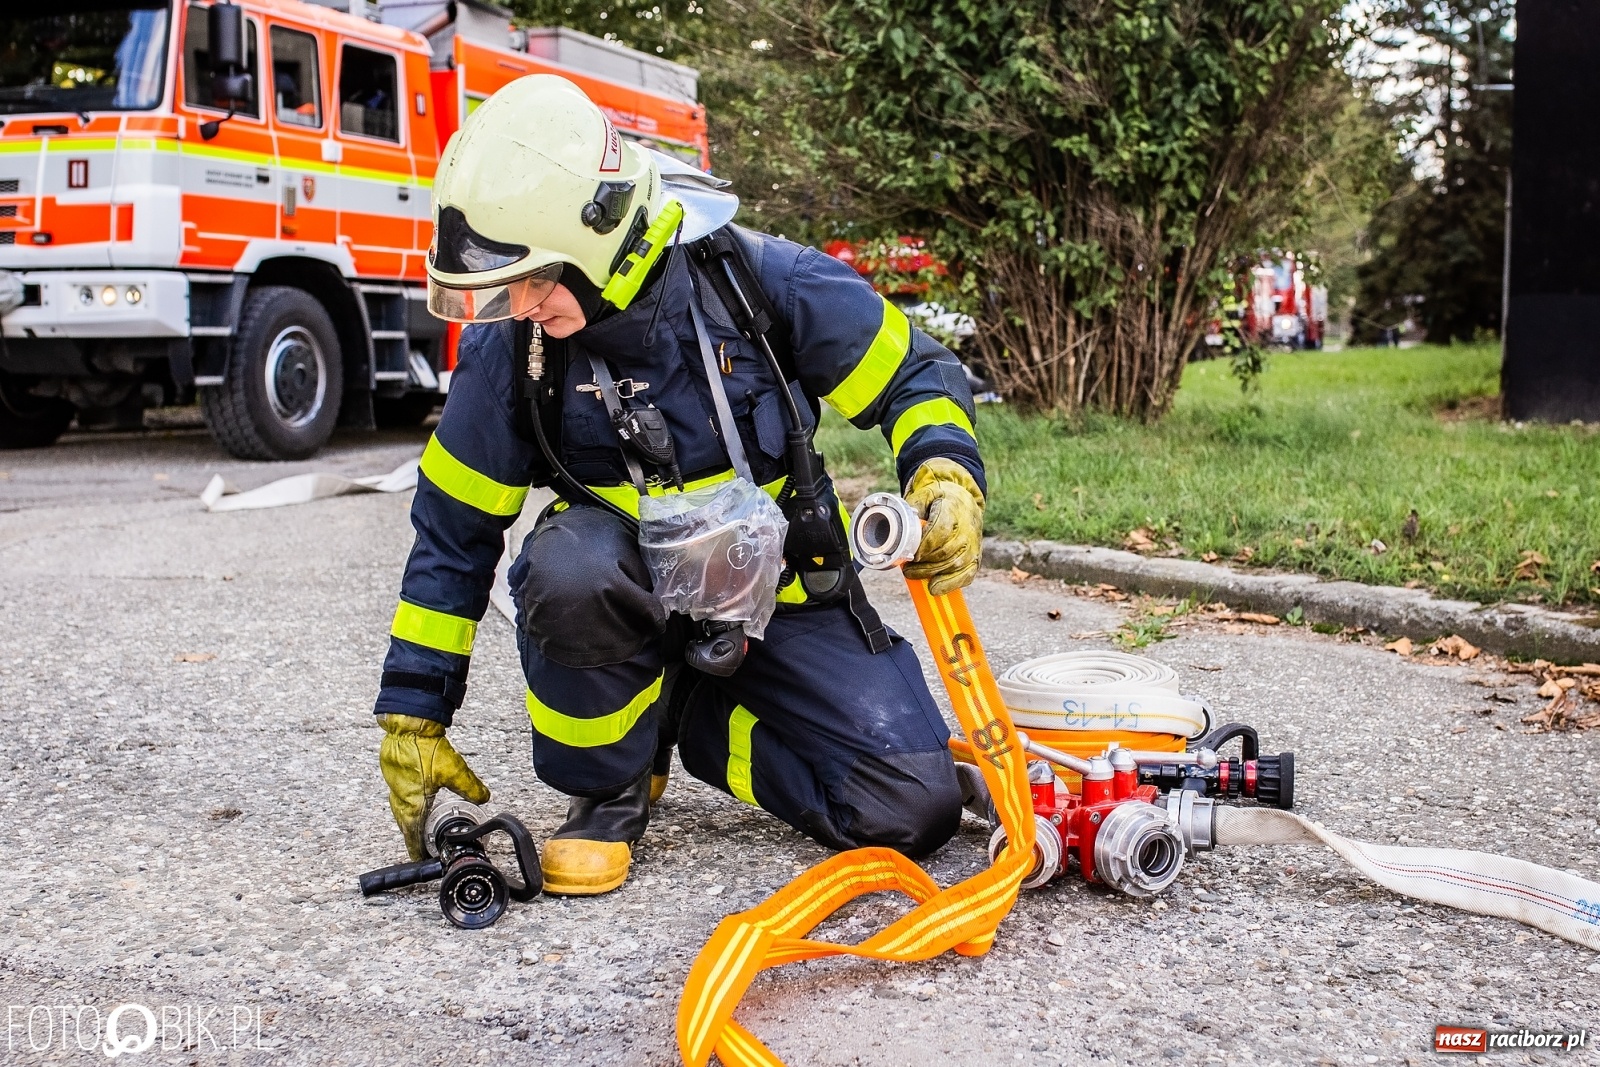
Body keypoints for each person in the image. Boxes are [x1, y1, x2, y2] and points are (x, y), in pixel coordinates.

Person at [374, 75, 988, 896]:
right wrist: (415, 708)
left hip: (778, 597)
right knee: (568, 567)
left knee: (911, 806)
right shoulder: (516, 349)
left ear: (594, 244)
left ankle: (685, 718)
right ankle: (609, 787)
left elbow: (915, 372)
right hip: (615, 596)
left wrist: (943, 473)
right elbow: (453, 530)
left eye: (532, 280)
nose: (514, 304)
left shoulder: (760, 282)